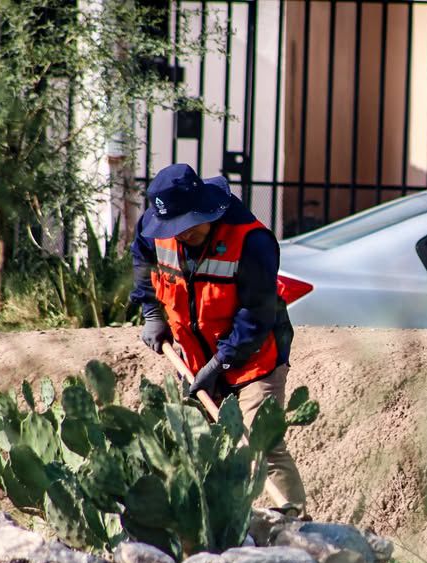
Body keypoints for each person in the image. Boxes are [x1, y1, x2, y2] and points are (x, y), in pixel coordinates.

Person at [129, 163, 306, 517]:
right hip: (193, 356)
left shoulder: (251, 241)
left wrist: (219, 365)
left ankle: (297, 525)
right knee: (194, 443)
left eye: (189, 228)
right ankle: (209, 526)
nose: (181, 236)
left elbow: (257, 315)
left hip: (256, 355)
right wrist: (151, 311)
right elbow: (143, 262)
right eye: (174, 229)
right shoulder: (155, 229)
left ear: (207, 210)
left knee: (262, 441)